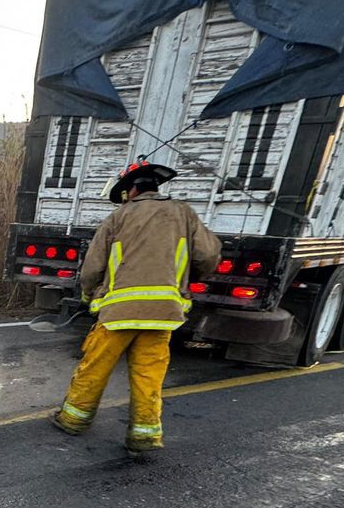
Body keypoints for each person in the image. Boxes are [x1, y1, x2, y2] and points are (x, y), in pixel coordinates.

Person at [50, 160, 221, 452]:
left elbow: (93, 267)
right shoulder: (183, 214)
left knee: (95, 367)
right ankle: (145, 435)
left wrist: (88, 296)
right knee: (148, 375)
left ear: (131, 191)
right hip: (162, 314)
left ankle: (73, 420)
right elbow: (208, 254)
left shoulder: (118, 218)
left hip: (118, 313)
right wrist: (192, 277)